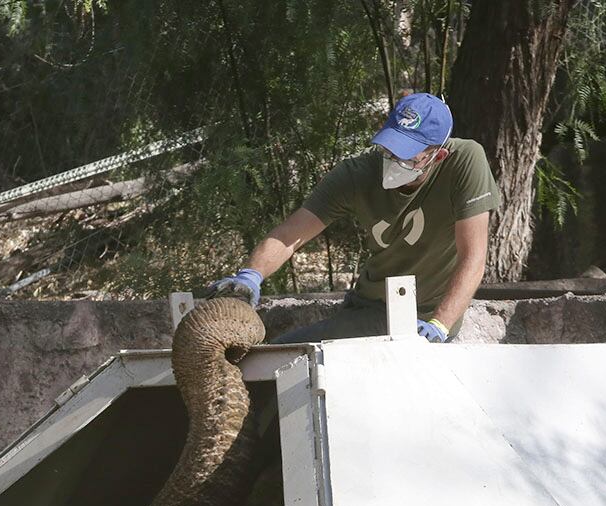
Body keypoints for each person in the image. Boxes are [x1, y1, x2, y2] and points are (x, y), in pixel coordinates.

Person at [208, 92, 500, 343]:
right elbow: (289, 235)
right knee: (281, 359)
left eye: (407, 155)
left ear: (438, 156)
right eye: (389, 148)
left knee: (284, 361)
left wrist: (439, 326)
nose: (393, 160)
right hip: (371, 309)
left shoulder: (465, 162)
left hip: (425, 319)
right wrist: (250, 276)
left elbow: (472, 257)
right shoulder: (356, 175)